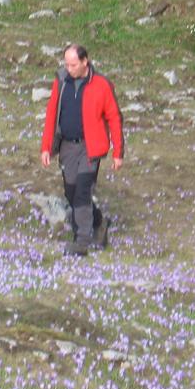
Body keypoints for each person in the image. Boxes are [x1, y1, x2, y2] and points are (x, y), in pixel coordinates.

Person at [40, 43, 124, 257]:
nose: (69, 69)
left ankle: (82, 241)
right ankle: (98, 221)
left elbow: (114, 118)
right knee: (71, 192)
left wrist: (118, 152)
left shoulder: (102, 84)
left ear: (85, 61)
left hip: (90, 147)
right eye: (66, 64)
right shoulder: (61, 81)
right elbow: (51, 114)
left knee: (82, 192)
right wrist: (46, 147)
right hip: (67, 146)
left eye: (73, 65)